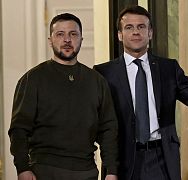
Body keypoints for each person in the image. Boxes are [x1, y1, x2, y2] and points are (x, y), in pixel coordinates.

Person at [94, 5, 188, 180]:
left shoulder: (169, 68)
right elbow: (96, 121)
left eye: (141, 27)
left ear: (150, 33)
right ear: (120, 35)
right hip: (123, 159)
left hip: (162, 157)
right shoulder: (104, 73)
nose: (136, 32)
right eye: (129, 27)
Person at [8, 13, 119, 180]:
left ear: (82, 39)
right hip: (44, 170)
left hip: (86, 171)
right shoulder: (33, 79)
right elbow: (19, 129)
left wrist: (111, 171)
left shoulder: (96, 81)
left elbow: (108, 129)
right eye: (60, 34)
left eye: (73, 34)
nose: (67, 40)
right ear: (50, 40)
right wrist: (22, 168)